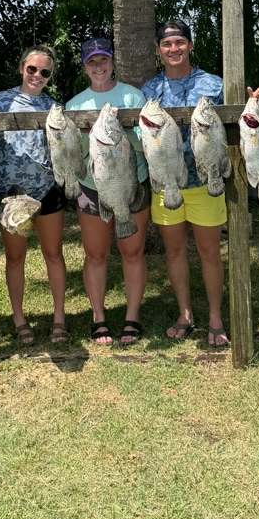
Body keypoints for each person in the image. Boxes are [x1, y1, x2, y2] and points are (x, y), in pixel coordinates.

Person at [141, 19, 259, 347]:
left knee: (210, 251)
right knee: (174, 251)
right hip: (165, 183)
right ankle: (185, 313)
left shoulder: (214, 84)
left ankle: (215, 316)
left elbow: (246, 114)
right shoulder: (148, 91)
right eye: (167, 44)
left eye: (179, 42)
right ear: (159, 50)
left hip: (205, 182)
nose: (174, 49)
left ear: (190, 45)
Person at [0, 45, 67, 346]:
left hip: (47, 190)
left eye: (44, 72)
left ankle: (59, 317)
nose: (37, 75)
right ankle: (19, 318)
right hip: (11, 195)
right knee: (15, 257)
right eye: (32, 69)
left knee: (53, 254)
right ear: (22, 68)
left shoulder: (54, 107)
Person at [66, 37, 149, 345]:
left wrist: (125, 130)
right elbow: (74, 155)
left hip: (131, 183)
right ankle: (98, 318)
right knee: (96, 254)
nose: (98, 66)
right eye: (92, 61)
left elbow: (145, 143)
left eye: (103, 60)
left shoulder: (132, 96)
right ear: (85, 67)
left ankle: (132, 316)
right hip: (91, 187)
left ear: (113, 62)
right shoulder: (75, 105)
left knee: (132, 251)